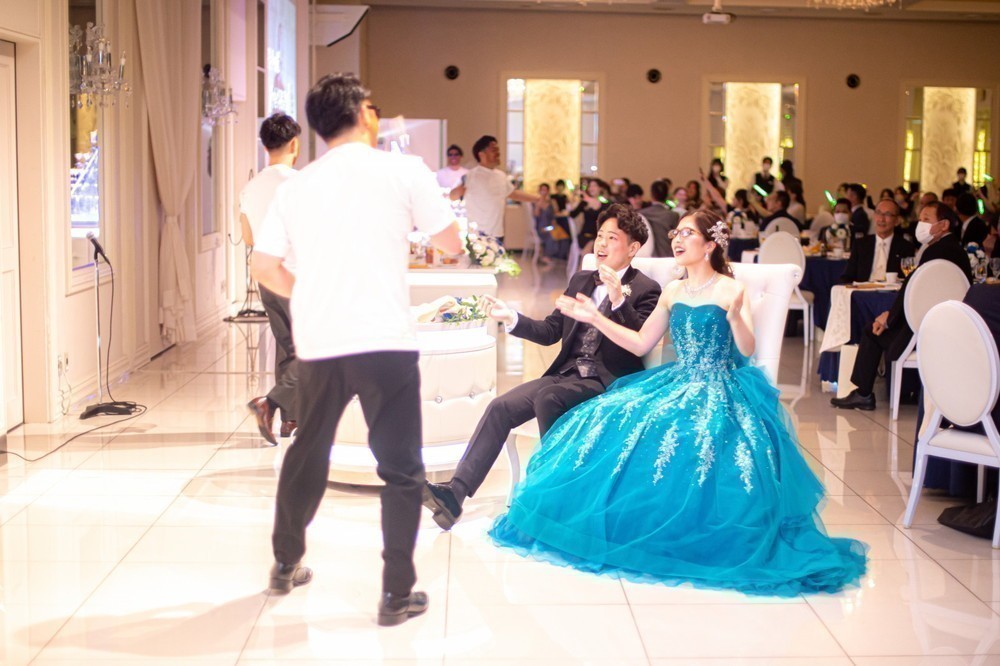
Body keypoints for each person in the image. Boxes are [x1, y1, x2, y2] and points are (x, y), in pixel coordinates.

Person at [488, 210, 868, 596]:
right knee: (611, 413)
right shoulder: (672, 291)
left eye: (687, 233)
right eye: (676, 232)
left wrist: (736, 319)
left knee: (694, 432)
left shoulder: (731, 290)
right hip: (678, 379)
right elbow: (640, 343)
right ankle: (599, 511)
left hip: (720, 385)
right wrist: (596, 318)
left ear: (710, 244)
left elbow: (747, 349)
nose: (677, 239)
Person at [251, 74, 463, 626]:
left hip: (321, 340)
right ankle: (395, 595)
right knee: (400, 468)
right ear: (365, 114)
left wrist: (309, 292)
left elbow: (264, 265)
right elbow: (451, 243)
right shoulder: (404, 170)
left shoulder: (295, 187)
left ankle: (285, 562)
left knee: (309, 451)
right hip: (385, 341)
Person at [422, 204, 662, 530]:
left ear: (633, 248)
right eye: (600, 236)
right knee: (500, 406)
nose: (601, 245)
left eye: (612, 238)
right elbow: (551, 331)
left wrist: (618, 299)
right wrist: (511, 318)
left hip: (608, 382)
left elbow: (639, 339)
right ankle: (455, 494)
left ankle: (551, 496)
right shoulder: (581, 280)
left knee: (549, 399)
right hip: (566, 374)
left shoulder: (647, 289)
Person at [831, 202, 972, 411]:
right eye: (920, 219)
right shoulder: (955, 250)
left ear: (943, 225)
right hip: (947, 325)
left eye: (926, 219)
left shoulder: (935, 251)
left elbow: (913, 290)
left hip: (925, 330)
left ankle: (863, 393)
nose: (921, 224)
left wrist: (889, 318)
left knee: (872, 331)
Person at [241, 112, 302, 445]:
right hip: (295, 274)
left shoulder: (250, 188)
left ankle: (289, 419)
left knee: (287, 346)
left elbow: (248, 237)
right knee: (313, 347)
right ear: (294, 144)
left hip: (264, 275)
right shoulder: (300, 183)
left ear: (265, 146)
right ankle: (271, 403)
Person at [450, 135, 537, 241]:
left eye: (498, 150)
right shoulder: (471, 175)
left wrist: (537, 199)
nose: (498, 153)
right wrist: (459, 191)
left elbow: (513, 193)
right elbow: (453, 195)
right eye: (494, 150)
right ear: (481, 154)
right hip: (477, 236)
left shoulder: (501, 176)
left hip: (497, 234)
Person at [838, 199, 916, 283]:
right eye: (878, 213)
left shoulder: (906, 247)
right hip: (863, 290)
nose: (881, 219)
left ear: (897, 221)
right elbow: (847, 276)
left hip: (891, 291)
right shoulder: (860, 244)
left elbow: (908, 279)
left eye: (887, 214)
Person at [639, 179, 681, 257]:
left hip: (645, 258)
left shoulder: (641, 214)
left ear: (651, 195)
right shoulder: (673, 216)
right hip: (668, 258)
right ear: (667, 196)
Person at [570, 179, 611, 255]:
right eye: (590, 186)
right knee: (591, 245)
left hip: (601, 236)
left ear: (600, 188)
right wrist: (573, 197)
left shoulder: (606, 204)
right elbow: (572, 214)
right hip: (586, 235)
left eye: (594, 186)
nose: (591, 188)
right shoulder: (584, 203)